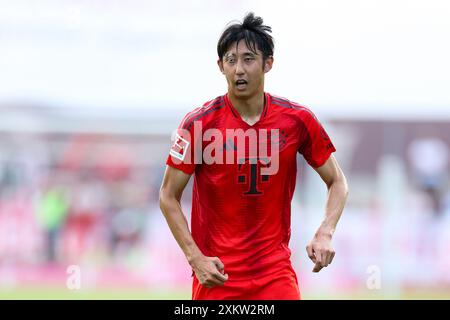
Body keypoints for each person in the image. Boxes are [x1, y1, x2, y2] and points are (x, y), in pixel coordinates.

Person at [159, 12, 348, 300]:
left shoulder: (297, 120)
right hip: (216, 275)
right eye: (231, 60)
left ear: (268, 63)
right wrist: (195, 258)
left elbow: (337, 181)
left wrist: (326, 231)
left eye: (248, 59)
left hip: (275, 275)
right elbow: (167, 196)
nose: (239, 69)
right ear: (220, 66)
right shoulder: (197, 124)